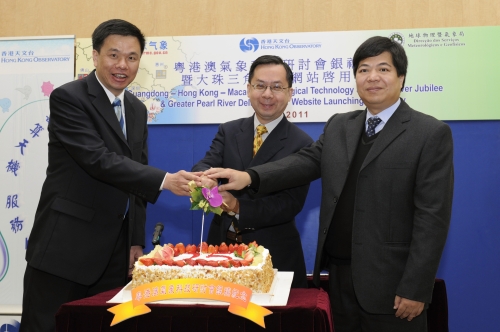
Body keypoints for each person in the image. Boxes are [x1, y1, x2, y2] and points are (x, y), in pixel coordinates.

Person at [206, 36, 454, 332]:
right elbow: (303, 163)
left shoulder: (429, 133)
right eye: (363, 69)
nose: (372, 77)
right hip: (338, 280)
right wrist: (250, 177)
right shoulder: (340, 126)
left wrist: (415, 287)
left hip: (393, 286)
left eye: (383, 69)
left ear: (401, 77)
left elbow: (432, 218)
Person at [20, 19, 201, 331]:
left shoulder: (136, 109)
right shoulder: (69, 98)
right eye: (113, 55)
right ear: (95, 56)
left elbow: (136, 176)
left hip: (115, 255)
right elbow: (97, 159)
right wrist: (165, 180)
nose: (123, 65)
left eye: (132, 57)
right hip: (65, 249)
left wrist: (135, 240)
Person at [193, 55, 313, 288]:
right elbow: (205, 164)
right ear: (249, 89)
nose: (267, 94)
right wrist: (204, 180)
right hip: (221, 250)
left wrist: (238, 207)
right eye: (260, 86)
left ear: (290, 93)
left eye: (277, 87)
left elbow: (289, 204)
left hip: (274, 254)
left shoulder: (303, 143)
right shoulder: (229, 131)